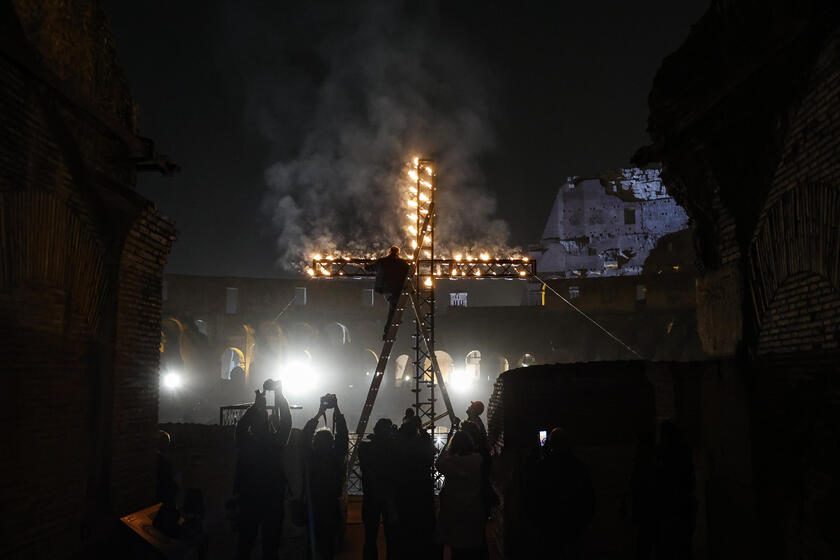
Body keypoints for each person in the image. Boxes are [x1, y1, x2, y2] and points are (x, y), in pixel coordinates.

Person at [233, 382, 292, 560]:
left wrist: (256, 406)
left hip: (249, 498)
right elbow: (287, 421)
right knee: (270, 546)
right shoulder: (276, 443)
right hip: (272, 499)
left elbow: (241, 427)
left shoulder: (246, 443)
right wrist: (280, 396)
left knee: (245, 544)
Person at [524, 427, 595, 560]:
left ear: (551, 443)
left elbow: (532, 495)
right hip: (572, 524)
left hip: (549, 525)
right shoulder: (579, 467)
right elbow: (588, 499)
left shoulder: (543, 467)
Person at [301, 395, 349, 560]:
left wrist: (319, 413)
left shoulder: (311, 457)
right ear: (331, 442)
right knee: (328, 548)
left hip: (313, 506)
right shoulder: (336, 457)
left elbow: (304, 437)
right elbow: (343, 436)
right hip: (330, 505)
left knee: (311, 546)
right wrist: (337, 409)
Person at [392, 411, 436, 559]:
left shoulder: (400, 447)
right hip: (422, 489)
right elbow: (431, 459)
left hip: (404, 491)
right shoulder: (424, 441)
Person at [436, 430, 486, 560]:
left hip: (452, 510)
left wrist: (447, 443)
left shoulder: (450, 462)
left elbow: (438, 464)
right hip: (473, 508)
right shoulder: (478, 460)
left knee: (456, 548)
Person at [358, 418, 397, 560]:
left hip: (370, 497)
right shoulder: (393, 448)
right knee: (392, 538)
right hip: (390, 499)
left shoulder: (364, 448)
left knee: (370, 537)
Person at [367, 246, 410, 340]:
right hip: (397, 290)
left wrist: (366, 265)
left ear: (389, 252)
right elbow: (410, 272)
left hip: (385, 289)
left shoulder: (382, 261)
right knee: (393, 309)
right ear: (398, 253)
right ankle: (389, 330)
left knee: (393, 308)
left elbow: (368, 268)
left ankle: (389, 329)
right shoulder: (403, 263)